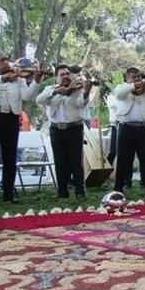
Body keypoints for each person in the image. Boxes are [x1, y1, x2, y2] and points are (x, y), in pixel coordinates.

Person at [0, 52, 43, 204]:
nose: (6, 62)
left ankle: (8, 194)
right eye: (2, 60)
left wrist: (36, 82)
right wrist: (2, 78)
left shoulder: (18, 79)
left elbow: (27, 97)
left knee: (10, 157)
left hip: (11, 118)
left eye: (7, 59)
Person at [36, 65, 92, 199]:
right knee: (60, 162)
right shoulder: (50, 89)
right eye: (62, 74)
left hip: (74, 128)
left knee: (76, 162)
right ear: (56, 78)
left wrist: (86, 92)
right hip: (56, 129)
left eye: (67, 74)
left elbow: (81, 104)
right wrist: (57, 92)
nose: (66, 76)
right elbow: (39, 100)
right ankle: (62, 191)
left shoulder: (77, 89)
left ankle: (80, 191)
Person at [112, 67, 145, 195]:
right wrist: (133, 86)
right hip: (126, 127)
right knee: (123, 159)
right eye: (133, 77)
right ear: (127, 78)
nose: (137, 79)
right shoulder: (122, 87)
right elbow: (118, 94)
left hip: (143, 128)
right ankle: (119, 187)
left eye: (139, 77)